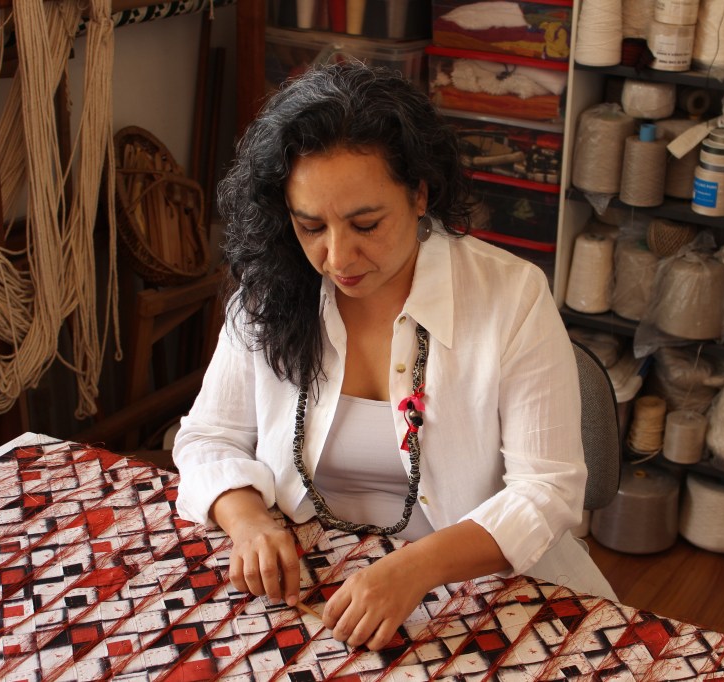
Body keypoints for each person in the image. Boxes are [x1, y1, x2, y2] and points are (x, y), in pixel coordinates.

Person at [172, 61, 615, 652]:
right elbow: (208, 437)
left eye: (366, 224)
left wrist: (415, 567)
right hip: (312, 582)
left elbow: (548, 489)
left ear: (419, 194)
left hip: (478, 589)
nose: (337, 257)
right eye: (311, 226)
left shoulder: (511, 296)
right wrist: (248, 521)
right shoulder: (272, 291)